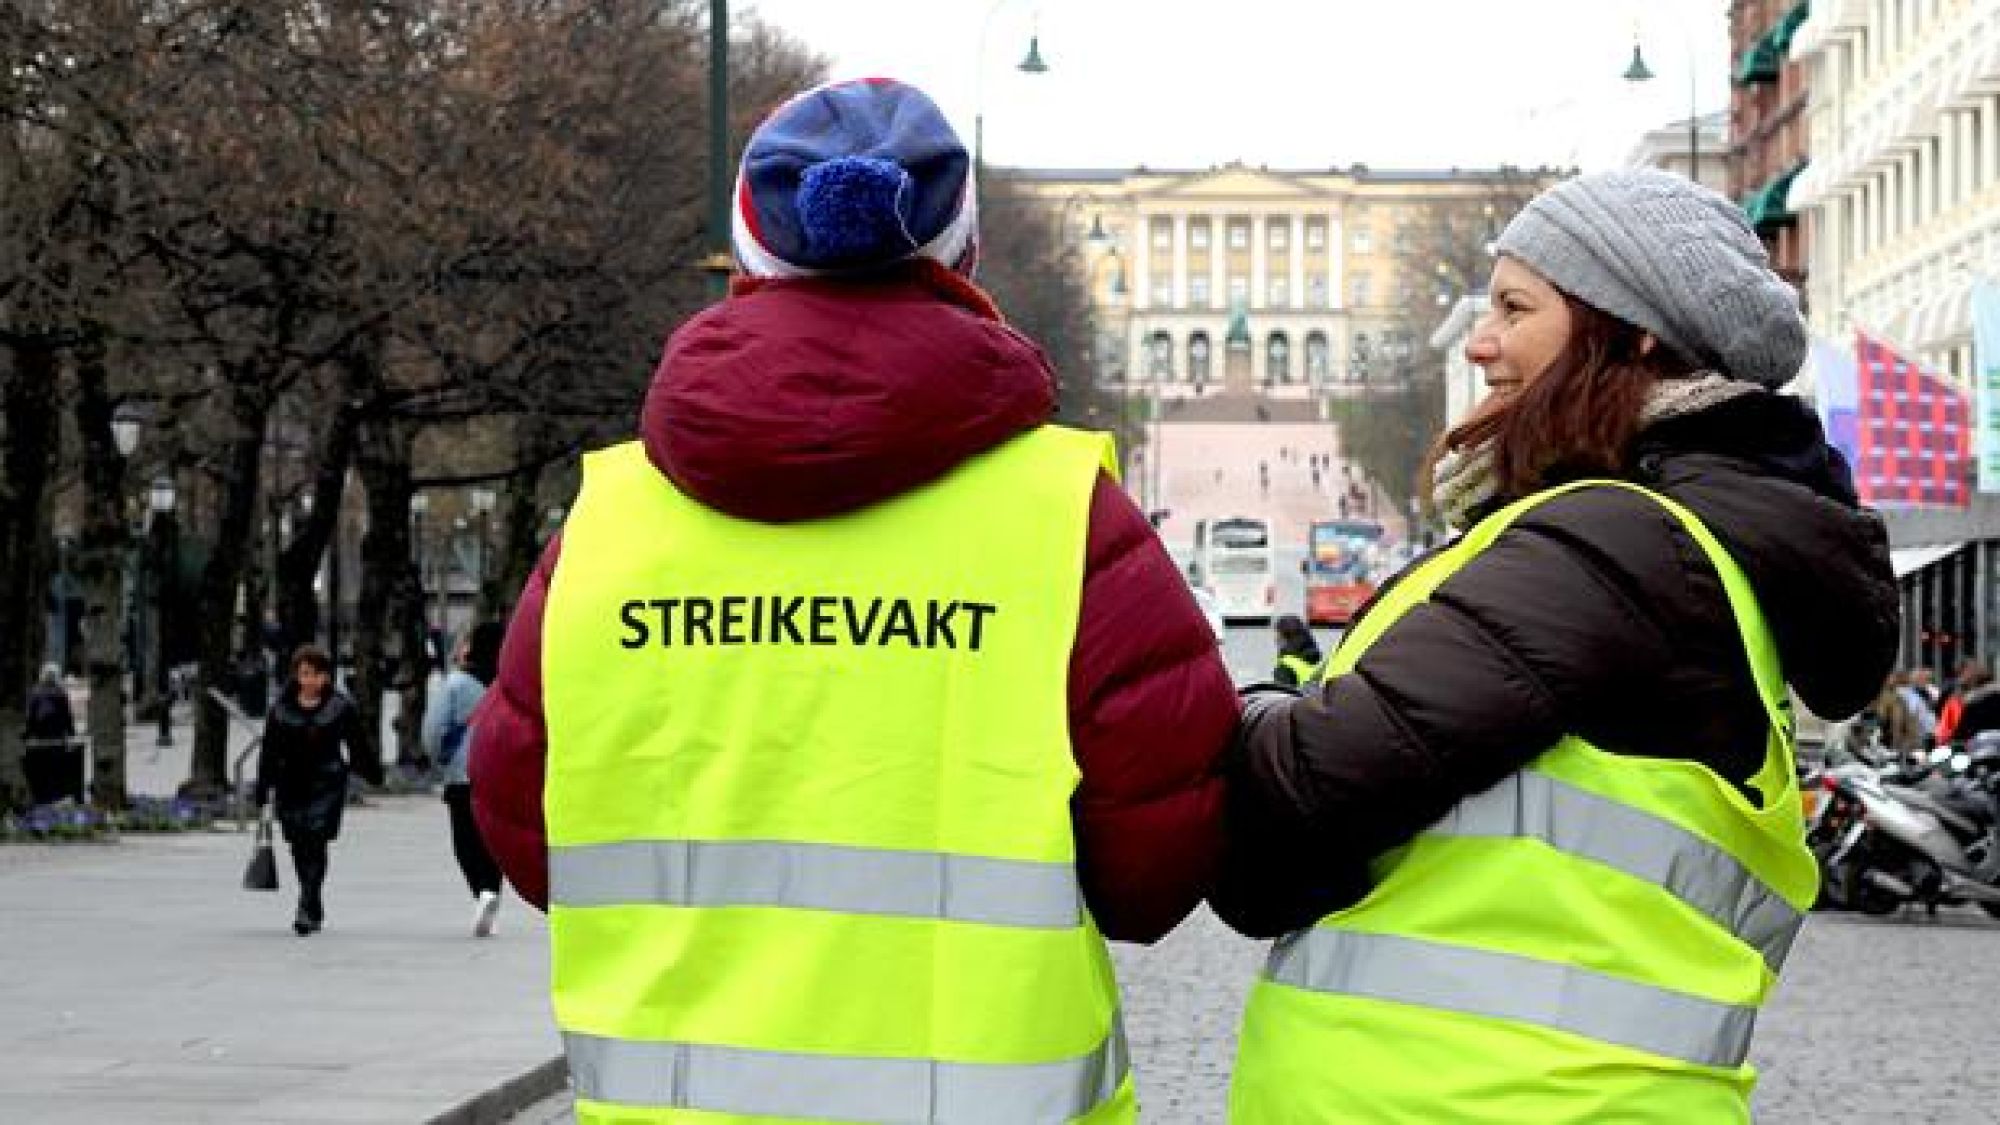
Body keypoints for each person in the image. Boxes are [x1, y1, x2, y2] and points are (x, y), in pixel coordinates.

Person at [469, 78, 1234, 1124]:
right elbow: (1159, 861)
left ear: (748, 256)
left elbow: (526, 829)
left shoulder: (607, 527)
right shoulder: (1065, 518)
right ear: (962, 258)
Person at [1212, 168, 1898, 1121]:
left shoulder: (1610, 547)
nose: (1480, 341)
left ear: (1634, 331)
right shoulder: (1671, 550)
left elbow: (1296, 800)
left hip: (1466, 1098)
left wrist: (1239, 710)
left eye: (1515, 308)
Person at [254, 644, 381, 936]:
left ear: (326, 676)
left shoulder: (340, 707)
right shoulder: (280, 710)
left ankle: (306, 904)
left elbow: (357, 743)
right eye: (304, 673)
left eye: (316, 674)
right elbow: (269, 752)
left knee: (316, 841)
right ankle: (312, 900)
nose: (310, 680)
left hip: (326, 784)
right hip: (290, 784)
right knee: (298, 844)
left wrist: (372, 773)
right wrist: (263, 787)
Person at [423, 622, 506, 937]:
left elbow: (434, 729)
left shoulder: (456, 684)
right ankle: (491, 891)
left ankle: (481, 893)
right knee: (493, 842)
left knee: (465, 842)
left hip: (462, 775)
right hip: (499, 775)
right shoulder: (507, 684)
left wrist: (438, 759)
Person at [23, 664, 77, 804]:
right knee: (56, 765)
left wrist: (27, 734)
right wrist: (71, 733)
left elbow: (30, 716)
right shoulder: (60, 693)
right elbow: (67, 716)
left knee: (42, 765)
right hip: (56, 734)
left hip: (40, 735)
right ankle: (55, 793)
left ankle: (42, 794)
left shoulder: (36, 692)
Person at [1269, 615, 1323, 688]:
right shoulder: (1317, 662)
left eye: (1277, 634)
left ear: (1284, 637)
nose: (1275, 639)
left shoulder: (1286, 667)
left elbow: (1283, 694)